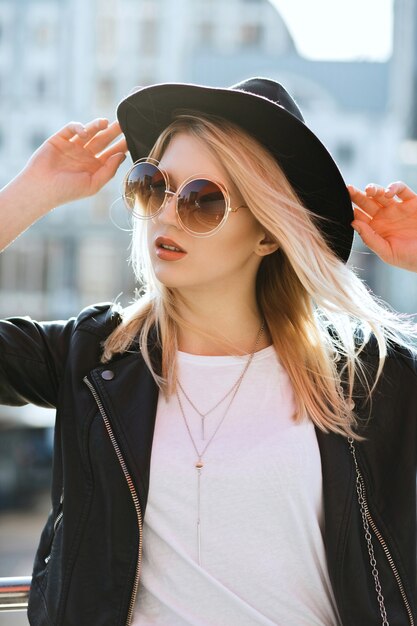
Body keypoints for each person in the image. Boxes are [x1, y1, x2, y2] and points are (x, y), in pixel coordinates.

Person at [0, 77, 416, 626]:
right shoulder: (90, 357)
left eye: (202, 200)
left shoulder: (365, 375)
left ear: (268, 232)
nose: (167, 215)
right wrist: (32, 193)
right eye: (152, 186)